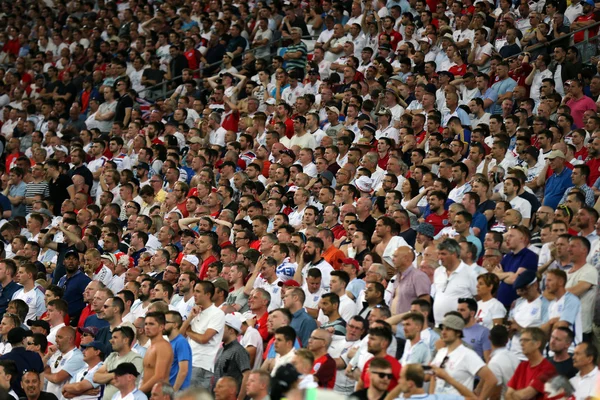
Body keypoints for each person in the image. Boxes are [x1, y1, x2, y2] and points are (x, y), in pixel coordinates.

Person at [430, 313, 497, 398]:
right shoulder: (441, 352)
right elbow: (433, 377)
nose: (443, 332)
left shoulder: (467, 354)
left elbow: (491, 379)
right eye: (442, 329)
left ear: (458, 333)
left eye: (448, 329)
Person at [180, 281, 225, 389]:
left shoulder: (217, 313)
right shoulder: (195, 312)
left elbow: (204, 339)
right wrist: (190, 317)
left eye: (198, 291)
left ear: (208, 295)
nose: (194, 294)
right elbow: (180, 336)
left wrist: (189, 331)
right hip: (187, 362)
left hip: (201, 364)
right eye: (194, 291)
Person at [506, 327, 557, 400]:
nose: (521, 344)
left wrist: (514, 394)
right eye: (521, 340)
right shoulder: (522, 366)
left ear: (537, 344)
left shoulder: (548, 369)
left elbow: (525, 395)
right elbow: (508, 395)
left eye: (526, 340)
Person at [43, 326, 86, 399]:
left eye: (60, 337)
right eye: (56, 337)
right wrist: (48, 355)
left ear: (70, 339)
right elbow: (40, 366)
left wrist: (44, 373)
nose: (56, 340)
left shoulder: (77, 357)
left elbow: (57, 378)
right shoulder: (56, 353)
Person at [164, 311, 192, 391]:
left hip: (178, 391)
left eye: (166, 322)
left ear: (175, 325)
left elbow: (183, 370)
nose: (162, 325)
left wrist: (173, 391)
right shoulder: (171, 342)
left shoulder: (180, 342)